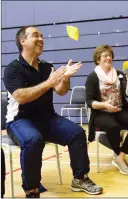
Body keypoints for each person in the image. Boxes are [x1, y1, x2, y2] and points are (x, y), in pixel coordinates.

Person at [3, 26, 103, 198]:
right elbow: (20, 96)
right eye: (35, 36)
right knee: (33, 140)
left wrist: (65, 77)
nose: (41, 39)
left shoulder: (47, 67)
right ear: (22, 41)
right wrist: (49, 83)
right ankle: (31, 189)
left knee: (77, 133)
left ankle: (80, 178)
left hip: (47, 118)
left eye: (42, 36)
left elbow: (61, 91)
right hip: (20, 120)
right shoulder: (13, 68)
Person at [85, 45, 128, 175]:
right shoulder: (92, 77)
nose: (108, 58)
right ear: (97, 59)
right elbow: (90, 102)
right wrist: (105, 105)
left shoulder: (119, 74)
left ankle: (120, 157)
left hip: (119, 110)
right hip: (101, 113)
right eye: (105, 55)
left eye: (110, 55)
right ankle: (117, 153)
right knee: (113, 126)